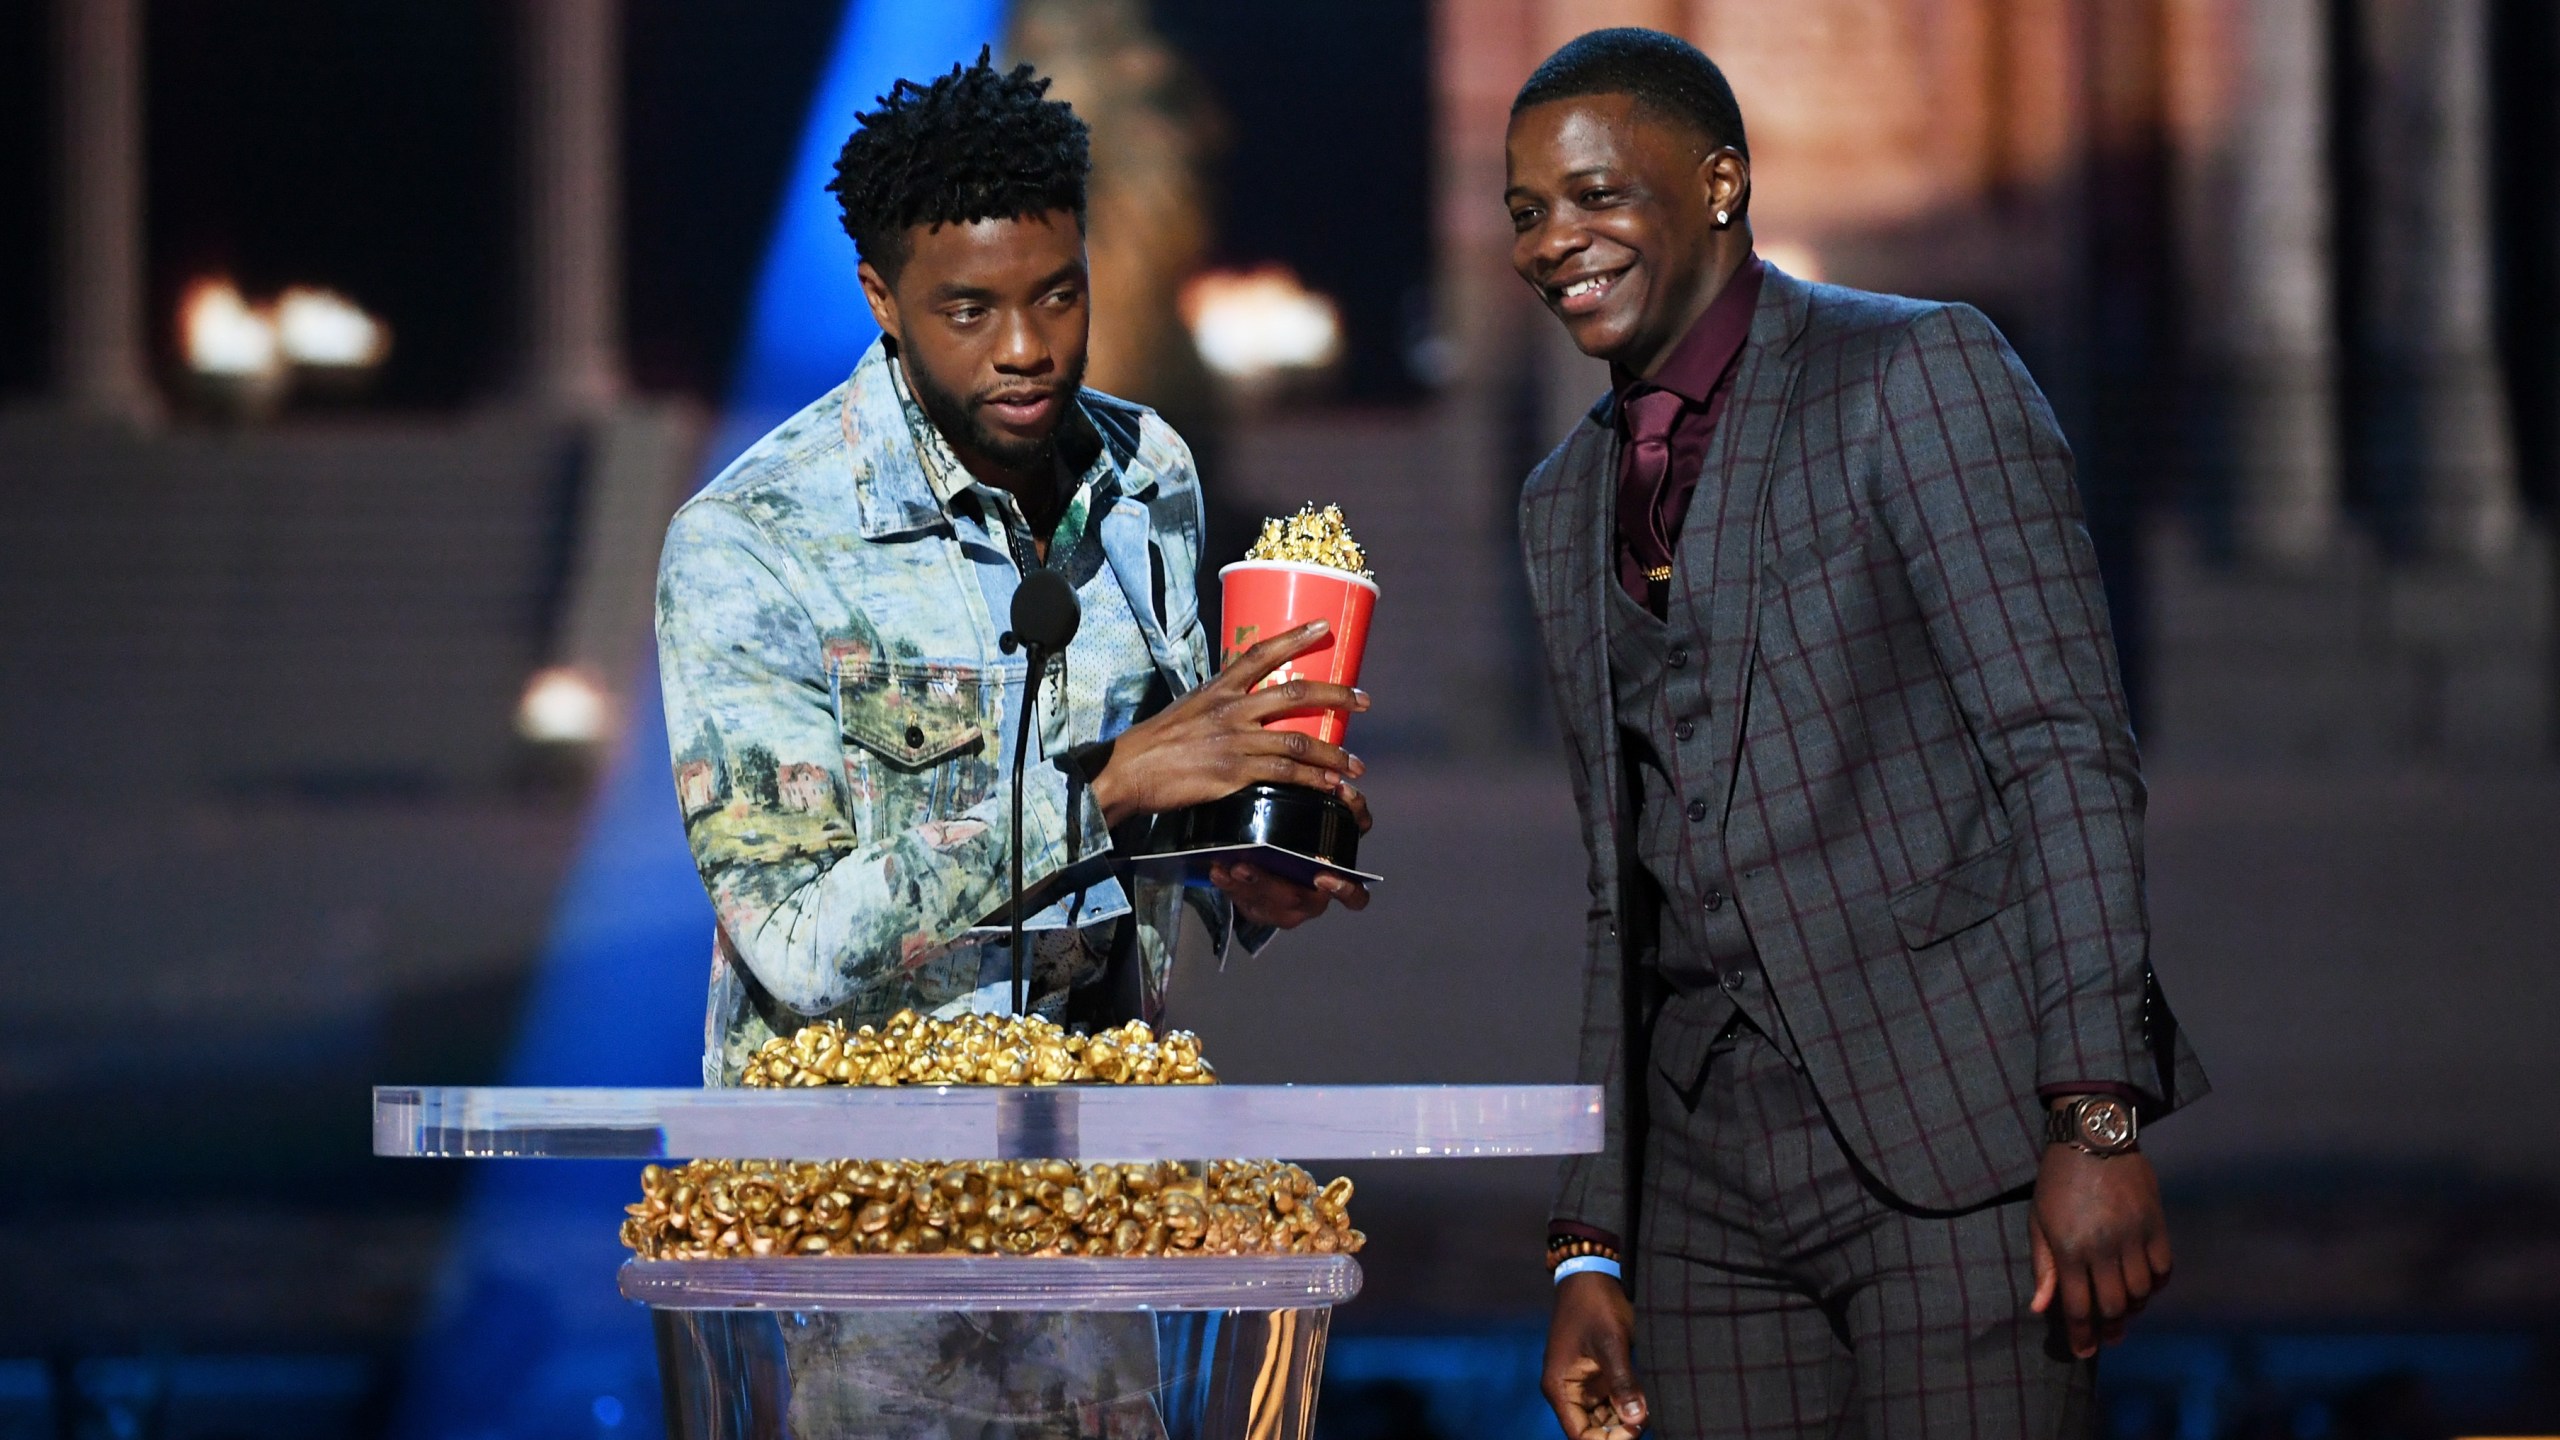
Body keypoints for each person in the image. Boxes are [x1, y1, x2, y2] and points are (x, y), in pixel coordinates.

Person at [652, 51, 1370, 1435]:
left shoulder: (1148, 475)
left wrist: (1240, 865)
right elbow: (796, 936)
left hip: (1101, 1210)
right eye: (968, 310)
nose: (1027, 348)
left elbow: (1161, 805)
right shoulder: (754, 544)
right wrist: (1105, 797)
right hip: (856, 1242)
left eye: (1057, 294)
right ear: (882, 298)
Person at [1504, 29, 2208, 1440]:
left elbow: (2061, 748)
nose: (1554, 241)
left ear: (1717, 184)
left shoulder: (1917, 374)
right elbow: (1617, 897)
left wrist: (2097, 1120)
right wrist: (1591, 1241)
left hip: (1949, 1143)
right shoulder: (1563, 498)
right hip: (1703, 1190)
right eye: (1527, 212)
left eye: (1594, 196)